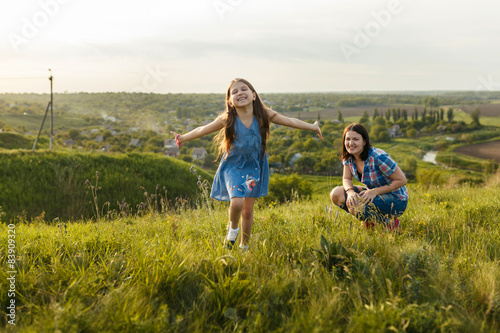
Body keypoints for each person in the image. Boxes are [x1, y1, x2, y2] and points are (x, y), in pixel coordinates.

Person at [170, 78, 323, 249]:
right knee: (237, 202)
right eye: (234, 92)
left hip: (254, 167)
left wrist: (313, 126)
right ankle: (232, 231)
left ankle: (244, 247)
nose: (240, 93)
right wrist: (182, 138)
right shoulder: (227, 119)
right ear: (230, 102)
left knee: (248, 211)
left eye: (244, 89)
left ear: (254, 95)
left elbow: (291, 121)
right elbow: (202, 129)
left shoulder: (264, 115)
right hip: (233, 165)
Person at [330, 123, 408, 229]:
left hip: (396, 200)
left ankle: (390, 223)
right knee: (336, 194)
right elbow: (346, 178)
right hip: (372, 194)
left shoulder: (379, 157)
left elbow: (402, 180)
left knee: (358, 204)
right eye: (347, 139)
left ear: (364, 141)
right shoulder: (349, 157)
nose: (350, 143)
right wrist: (350, 192)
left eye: (356, 139)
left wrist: (375, 191)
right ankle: (369, 219)